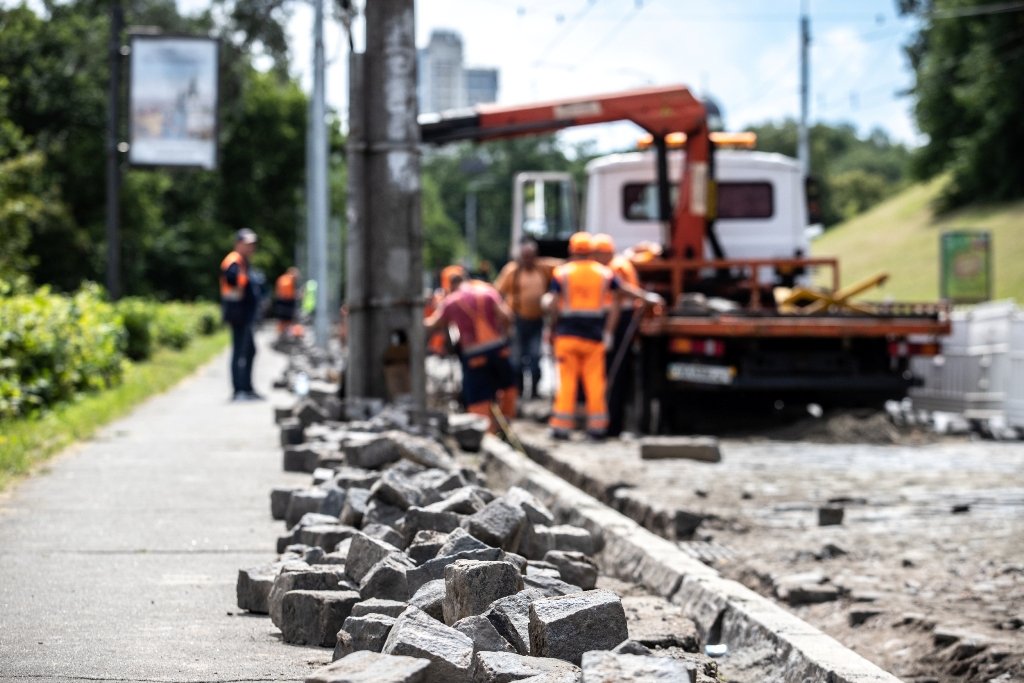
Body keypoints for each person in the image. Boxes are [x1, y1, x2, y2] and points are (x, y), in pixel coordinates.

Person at [545, 232, 663, 440]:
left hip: (567, 336)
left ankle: (562, 426)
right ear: (591, 251)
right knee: (595, 383)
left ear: (572, 251)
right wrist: (646, 298)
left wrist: (552, 327)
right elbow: (623, 291)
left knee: (568, 381)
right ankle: (597, 427)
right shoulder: (604, 273)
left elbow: (554, 304)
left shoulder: (561, 273)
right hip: (594, 337)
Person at [424, 265, 518, 431]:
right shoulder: (487, 291)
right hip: (498, 348)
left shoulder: (450, 302)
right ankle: (506, 422)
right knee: (507, 386)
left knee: (479, 395)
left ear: (449, 284)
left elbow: (432, 324)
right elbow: (506, 316)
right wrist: (506, 337)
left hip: (473, 354)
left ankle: (486, 433)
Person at [592, 233, 641, 437]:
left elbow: (616, 303)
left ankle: (611, 425)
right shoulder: (620, 263)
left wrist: (609, 333)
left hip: (621, 322)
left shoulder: (614, 268)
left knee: (613, 375)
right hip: (623, 320)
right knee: (617, 375)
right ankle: (613, 424)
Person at [494, 238, 553, 399]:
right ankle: (518, 391)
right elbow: (496, 293)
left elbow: (564, 266)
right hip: (517, 321)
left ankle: (534, 391)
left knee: (535, 356)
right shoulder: (511, 271)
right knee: (516, 358)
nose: (528, 259)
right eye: (525, 256)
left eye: (531, 255)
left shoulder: (543, 268)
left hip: (537, 321)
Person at [220, 228, 263, 401]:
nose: (251, 248)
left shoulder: (243, 262)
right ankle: (239, 390)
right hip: (238, 314)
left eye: (252, 244)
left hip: (244, 314)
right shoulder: (234, 262)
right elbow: (232, 282)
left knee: (250, 350)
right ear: (238, 244)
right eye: (247, 244)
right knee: (240, 351)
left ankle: (246, 387)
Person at [272, 266, 302, 338]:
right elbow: (288, 294)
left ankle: (281, 335)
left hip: (280, 302)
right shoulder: (289, 280)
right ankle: (285, 336)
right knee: (287, 320)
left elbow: (278, 292)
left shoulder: (282, 278)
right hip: (287, 302)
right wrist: (297, 295)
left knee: (282, 320)